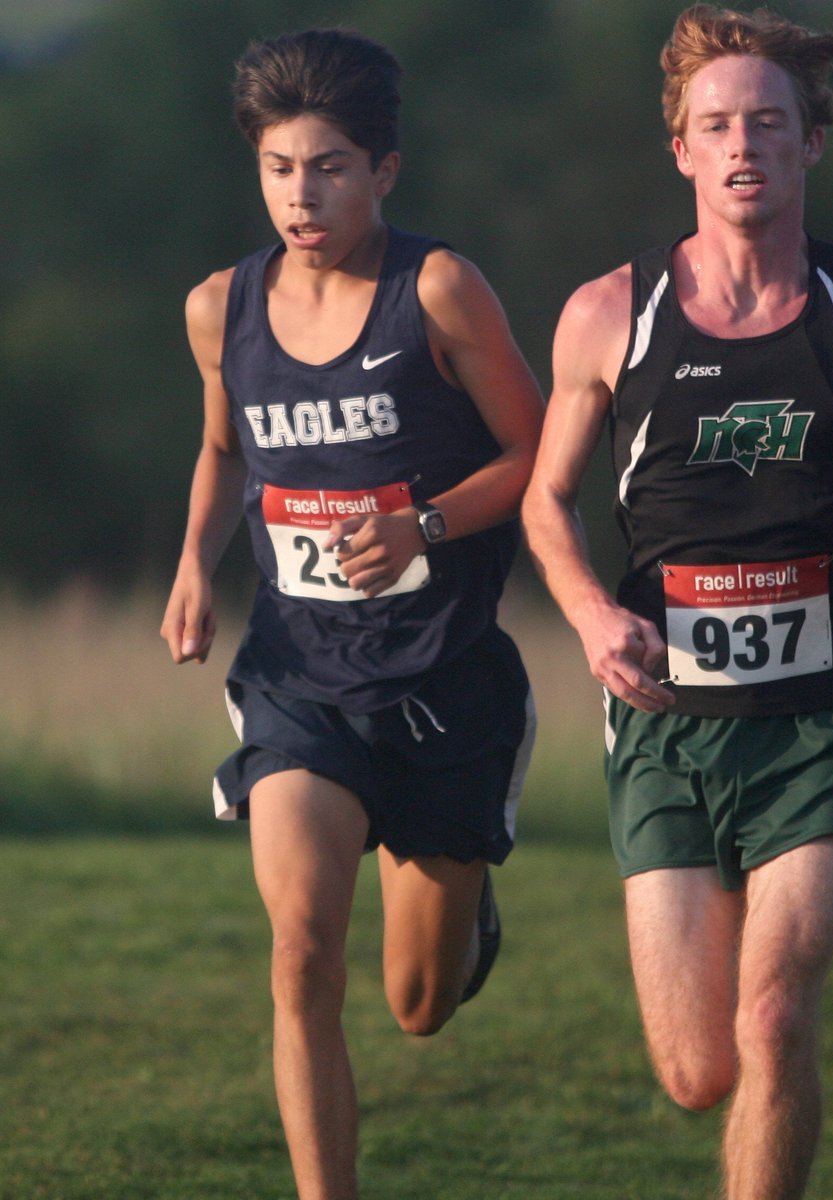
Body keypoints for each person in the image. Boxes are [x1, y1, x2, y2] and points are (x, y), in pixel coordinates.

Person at [522, 5, 833, 1198]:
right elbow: (546, 503)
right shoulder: (605, 316)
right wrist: (589, 613)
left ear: (811, 144)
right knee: (697, 1070)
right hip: (663, 720)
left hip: (822, 718)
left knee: (777, 1017)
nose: (743, 145)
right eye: (717, 124)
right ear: (680, 149)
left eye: (769, 124)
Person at [160, 28, 542, 1200]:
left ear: (384, 169)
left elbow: (537, 453)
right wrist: (191, 563)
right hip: (299, 680)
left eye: (327, 167)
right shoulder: (221, 308)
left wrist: (423, 524)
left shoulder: (438, 289)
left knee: (417, 1007)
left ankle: (464, 923)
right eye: (279, 168)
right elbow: (226, 450)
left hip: (442, 683)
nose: (300, 195)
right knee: (298, 951)